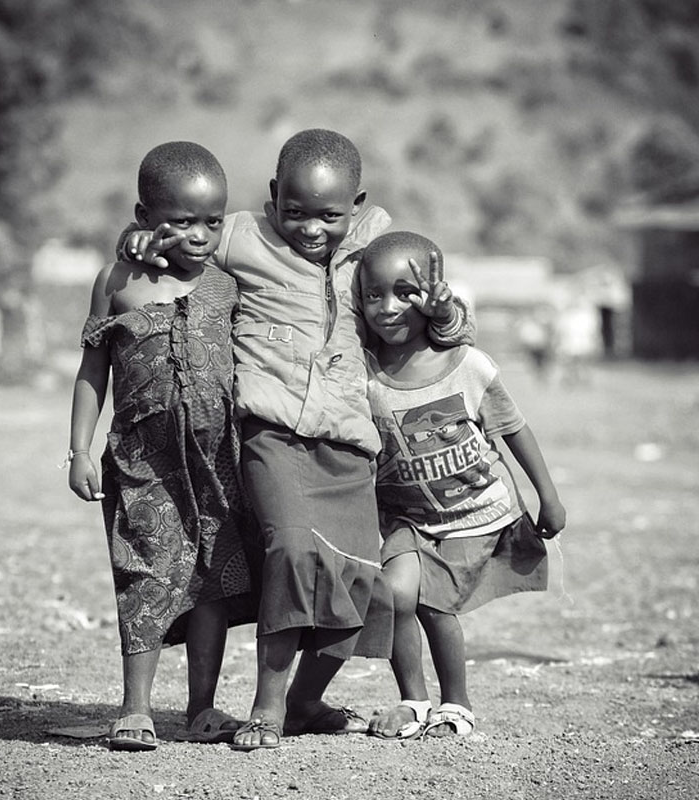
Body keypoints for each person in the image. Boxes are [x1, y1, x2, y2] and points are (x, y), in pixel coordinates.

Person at [119, 129, 476, 750]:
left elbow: (438, 322)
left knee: (361, 584)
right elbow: (180, 242)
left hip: (349, 443)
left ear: (357, 205)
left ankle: (306, 699)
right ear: (273, 196)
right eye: (296, 211)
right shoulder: (239, 235)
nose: (311, 228)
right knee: (289, 551)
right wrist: (136, 243)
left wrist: (445, 311)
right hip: (272, 432)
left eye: (330, 216)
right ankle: (268, 707)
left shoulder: (376, 245)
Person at [67, 141, 256, 751]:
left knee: (210, 581)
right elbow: (93, 370)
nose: (199, 236)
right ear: (144, 215)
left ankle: (202, 709)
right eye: (180, 221)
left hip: (218, 464)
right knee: (144, 572)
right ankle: (136, 708)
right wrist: (77, 450)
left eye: (212, 222)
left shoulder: (228, 287)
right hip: (141, 461)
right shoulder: (118, 281)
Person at [360, 231, 566, 740]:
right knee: (395, 595)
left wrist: (548, 495)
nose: (386, 308)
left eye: (404, 293)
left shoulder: (469, 367)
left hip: (471, 515)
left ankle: (457, 703)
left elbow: (513, 427)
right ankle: (413, 700)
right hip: (405, 516)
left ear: (432, 297)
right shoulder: (363, 373)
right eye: (372, 295)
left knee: (433, 603)